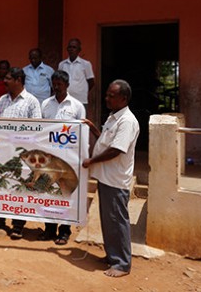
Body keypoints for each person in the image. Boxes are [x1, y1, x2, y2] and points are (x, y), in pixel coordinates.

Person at [82, 80, 139, 278]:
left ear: (123, 98)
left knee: (117, 220)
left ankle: (122, 264)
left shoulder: (127, 121)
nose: (107, 98)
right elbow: (107, 141)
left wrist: (91, 160)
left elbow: (116, 150)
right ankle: (112, 255)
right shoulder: (114, 117)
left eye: (111, 96)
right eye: (107, 94)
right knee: (109, 220)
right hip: (106, 177)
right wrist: (93, 129)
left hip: (116, 179)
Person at [0, 67, 42, 239]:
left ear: (18, 80)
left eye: (8, 78)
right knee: (0, 185)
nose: (4, 81)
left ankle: (18, 225)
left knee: (19, 188)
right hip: (2, 152)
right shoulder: (2, 100)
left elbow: (37, 129)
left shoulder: (31, 101)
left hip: (22, 155)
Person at [38, 70, 85, 245]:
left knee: (66, 195)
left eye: (60, 84)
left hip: (68, 159)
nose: (56, 87)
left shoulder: (77, 106)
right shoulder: (45, 104)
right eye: (54, 83)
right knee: (48, 194)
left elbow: (81, 133)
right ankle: (49, 229)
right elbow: (41, 130)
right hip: (49, 159)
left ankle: (64, 231)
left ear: (67, 85)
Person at [58, 39, 95, 110]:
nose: (71, 49)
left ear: (79, 50)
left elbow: (91, 82)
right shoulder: (62, 64)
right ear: (67, 49)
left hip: (81, 99)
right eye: (70, 47)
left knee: (80, 120)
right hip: (65, 99)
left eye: (74, 47)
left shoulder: (86, 64)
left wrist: (81, 90)